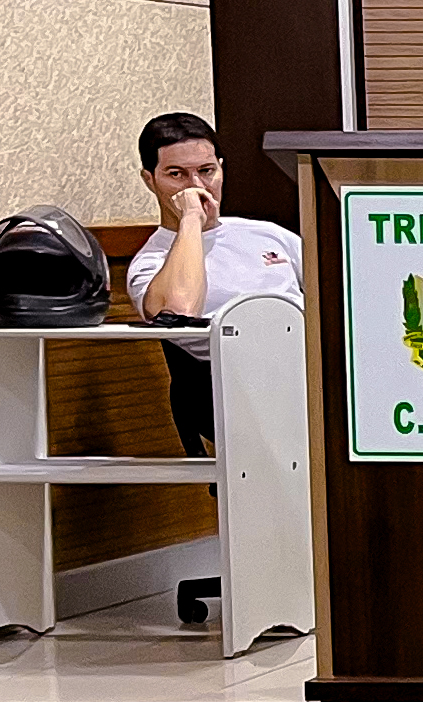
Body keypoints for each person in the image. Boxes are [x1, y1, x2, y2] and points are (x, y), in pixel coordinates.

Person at [125, 112, 303, 457]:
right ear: (150, 180)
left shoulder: (266, 233)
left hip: (308, 373)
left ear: (221, 168)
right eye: (176, 175)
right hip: (233, 394)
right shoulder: (151, 262)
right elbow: (178, 311)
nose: (196, 186)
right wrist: (191, 219)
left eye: (206, 171)